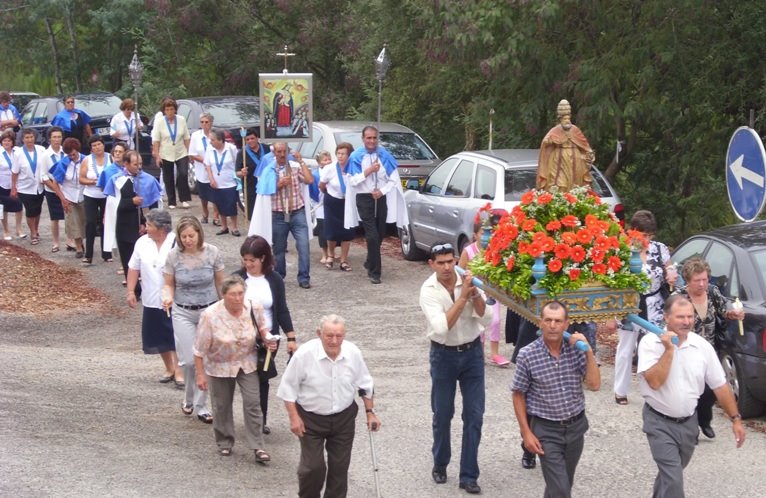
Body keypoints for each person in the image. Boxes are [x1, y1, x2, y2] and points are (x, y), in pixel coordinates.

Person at [638, 295, 745, 498]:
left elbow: (720, 385)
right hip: (658, 422)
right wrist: (669, 350)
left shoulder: (701, 346)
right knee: (673, 479)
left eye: (690, 316)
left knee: (671, 475)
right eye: (680, 317)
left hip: (689, 423)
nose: (687, 322)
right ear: (666, 317)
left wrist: (735, 419)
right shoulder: (650, 343)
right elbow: (654, 382)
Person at [277, 314, 381, 498]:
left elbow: (365, 383)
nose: (334, 341)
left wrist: (370, 412)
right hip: (310, 418)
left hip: (343, 418)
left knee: (339, 468)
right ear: (319, 333)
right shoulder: (304, 355)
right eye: (329, 335)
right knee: (313, 468)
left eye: (339, 336)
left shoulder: (352, 353)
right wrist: (294, 418)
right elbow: (288, 388)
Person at [420, 242, 492, 495]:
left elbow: (486, 316)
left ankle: (469, 475)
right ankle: (440, 462)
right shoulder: (428, 289)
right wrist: (462, 299)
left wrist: (474, 295)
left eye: (450, 261)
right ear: (432, 264)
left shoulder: (466, 280)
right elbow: (441, 327)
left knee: (474, 415)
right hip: (443, 355)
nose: (448, 267)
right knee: (442, 414)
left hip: (472, 352)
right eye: (441, 262)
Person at [511, 301, 601, 498]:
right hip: (546, 430)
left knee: (562, 485)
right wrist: (526, 433)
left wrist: (588, 352)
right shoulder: (528, 354)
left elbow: (594, 385)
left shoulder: (576, 349)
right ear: (540, 323)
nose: (553, 325)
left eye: (558, 321)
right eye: (548, 320)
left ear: (566, 324)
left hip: (576, 427)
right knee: (560, 489)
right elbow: (518, 394)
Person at [193, 274, 275, 462]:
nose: (237, 298)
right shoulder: (210, 315)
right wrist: (200, 375)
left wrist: (268, 339)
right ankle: (224, 441)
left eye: (240, 293)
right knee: (222, 405)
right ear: (223, 295)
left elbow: (262, 328)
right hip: (220, 364)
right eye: (232, 295)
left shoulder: (253, 307)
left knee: (253, 402)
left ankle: (258, 446)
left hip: (247, 361)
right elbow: (198, 350)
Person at [674, 256, 744, 439]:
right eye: (697, 280)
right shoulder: (679, 297)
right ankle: (692, 428)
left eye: (705, 279)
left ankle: (704, 420)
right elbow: (670, 321)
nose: (702, 284)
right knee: (690, 390)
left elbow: (723, 312)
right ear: (688, 280)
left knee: (710, 390)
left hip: (710, 348)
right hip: (686, 350)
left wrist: (734, 314)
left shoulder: (712, 292)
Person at [235, 235, 299, 434]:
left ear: (263, 258)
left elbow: (281, 309)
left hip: (268, 338)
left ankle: (260, 420)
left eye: (252, 260)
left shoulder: (274, 279)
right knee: (246, 378)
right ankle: (250, 415)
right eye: (244, 260)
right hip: (241, 337)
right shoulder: (237, 278)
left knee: (262, 378)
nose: (248, 264)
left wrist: (291, 337)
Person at [162, 215, 223, 423]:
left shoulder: (212, 252)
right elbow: (169, 283)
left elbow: (220, 284)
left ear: (199, 233)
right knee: (188, 360)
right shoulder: (173, 256)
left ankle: (201, 405)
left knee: (204, 359)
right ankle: (189, 396)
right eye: (184, 236)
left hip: (209, 310)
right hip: (183, 310)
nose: (188, 240)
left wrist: (227, 310)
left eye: (191, 235)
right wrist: (167, 295)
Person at [613, 210, 676, 405]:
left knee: (654, 345)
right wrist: (610, 313)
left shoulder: (659, 248)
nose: (647, 239)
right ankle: (620, 390)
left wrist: (671, 273)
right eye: (643, 235)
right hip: (629, 303)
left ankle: (653, 388)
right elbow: (613, 280)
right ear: (633, 231)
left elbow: (669, 266)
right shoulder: (622, 249)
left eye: (650, 235)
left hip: (655, 302)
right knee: (626, 348)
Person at [345, 126, 408, 284]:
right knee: (371, 235)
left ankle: (369, 260)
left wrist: (382, 191)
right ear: (363, 138)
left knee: (380, 233)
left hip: (379, 197)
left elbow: (393, 180)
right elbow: (352, 181)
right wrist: (367, 171)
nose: (372, 141)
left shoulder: (384, 155)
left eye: (374, 138)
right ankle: (375, 272)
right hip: (364, 197)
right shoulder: (356, 157)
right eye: (368, 138)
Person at [248, 142, 313, 289]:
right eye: (279, 152)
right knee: (278, 249)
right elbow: (264, 190)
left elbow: (309, 180)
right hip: (278, 214)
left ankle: (304, 277)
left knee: (303, 245)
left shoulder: (295, 167)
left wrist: (301, 161)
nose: (282, 155)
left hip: (297, 211)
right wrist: (278, 184)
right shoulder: (269, 169)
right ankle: (279, 276)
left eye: (284, 151)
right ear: (274, 153)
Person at [126, 209, 180, 384]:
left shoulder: (177, 242)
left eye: (149, 225)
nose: (145, 228)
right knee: (157, 335)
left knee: (175, 335)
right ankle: (169, 368)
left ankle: (180, 371)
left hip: (174, 298)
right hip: (151, 297)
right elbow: (134, 267)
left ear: (161, 228)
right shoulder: (142, 242)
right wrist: (131, 291)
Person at [458, 211, 510, 367]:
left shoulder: (494, 250)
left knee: (495, 320)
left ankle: (495, 353)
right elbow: (459, 269)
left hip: (491, 290)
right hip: (475, 291)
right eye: (483, 232)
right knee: (479, 322)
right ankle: (479, 353)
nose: (487, 236)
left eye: (490, 233)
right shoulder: (469, 251)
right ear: (475, 235)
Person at [102, 150, 162, 279]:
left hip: (144, 226)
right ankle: (132, 285)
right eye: (135, 164)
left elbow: (153, 206)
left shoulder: (149, 180)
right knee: (128, 258)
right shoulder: (117, 181)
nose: (139, 167)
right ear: (125, 164)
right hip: (124, 225)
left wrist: (145, 223)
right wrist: (131, 202)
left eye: (140, 164)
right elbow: (113, 205)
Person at [536, 99, 594, 192]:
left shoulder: (575, 130)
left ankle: (575, 199)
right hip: (558, 159)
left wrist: (589, 154)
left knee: (576, 183)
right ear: (560, 120)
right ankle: (559, 200)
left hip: (575, 159)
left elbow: (584, 145)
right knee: (559, 183)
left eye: (568, 119)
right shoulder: (555, 130)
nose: (567, 121)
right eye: (565, 119)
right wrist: (549, 141)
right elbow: (545, 143)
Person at [319, 143, 356, 271]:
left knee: (347, 231)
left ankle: (344, 260)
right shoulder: (330, 168)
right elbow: (322, 185)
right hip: (332, 201)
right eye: (338, 153)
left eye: (343, 154)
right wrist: (328, 194)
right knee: (331, 230)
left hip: (347, 202)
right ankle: (330, 256)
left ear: (349, 155)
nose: (340, 156)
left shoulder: (354, 167)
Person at [151, 97, 191, 209]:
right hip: (166, 153)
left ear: (175, 110)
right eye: (167, 109)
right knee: (168, 177)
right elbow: (156, 140)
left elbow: (186, 137)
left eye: (171, 109)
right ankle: (171, 201)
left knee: (183, 174)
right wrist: (157, 156)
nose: (169, 112)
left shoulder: (181, 119)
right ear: (164, 110)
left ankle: (184, 198)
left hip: (181, 151)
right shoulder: (159, 122)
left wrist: (189, 152)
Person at [48, 138, 86, 257]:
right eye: (69, 154)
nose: (72, 156)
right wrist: (62, 198)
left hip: (84, 195)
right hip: (69, 196)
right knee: (73, 222)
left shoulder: (86, 160)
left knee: (84, 222)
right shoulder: (63, 163)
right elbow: (55, 182)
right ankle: (78, 247)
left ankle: (83, 242)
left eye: (73, 154)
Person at [79, 135, 113, 265]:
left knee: (106, 223)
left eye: (99, 144)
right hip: (91, 195)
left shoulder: (110, 157)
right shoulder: (87, 160)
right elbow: (81, 179)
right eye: (94, 146)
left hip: (106, 196)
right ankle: (88, 254)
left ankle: (107, 252)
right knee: (91, 223)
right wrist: (92, 182)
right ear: (91, 149)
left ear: (103, 145)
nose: (97, 147)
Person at [11, 128, 46, 245]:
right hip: (25, 187)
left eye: (31, 137)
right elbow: (15, 172)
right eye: (27, 137)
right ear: (23, 139)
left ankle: (36, 229)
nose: (29, 139)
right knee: (30, 211)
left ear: (34, 138)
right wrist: (13, 188)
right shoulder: (18, 153)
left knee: (38, 209)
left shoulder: (41, 150)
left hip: (39, 186)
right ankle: (33, 233)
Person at [204, 128, 240, 236]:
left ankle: (234, 227)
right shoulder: (210, 149)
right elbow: (208, 165)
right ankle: (224, 226)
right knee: (219, 205)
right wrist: (211, 179)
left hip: (230, 182)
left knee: (231, 204)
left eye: (213, 140)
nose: (211, 142)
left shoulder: (231, 148)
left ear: (220, 140)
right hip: (216, 183)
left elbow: (237, 163)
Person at [98, 141, 127, 261]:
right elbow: (103, 188)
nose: (117, 154)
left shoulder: (129, 168)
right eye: (115, 151)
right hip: (113, 203)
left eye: (120, 152)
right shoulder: (108, 171)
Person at [187, 112, 217, 224]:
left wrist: (211, 163)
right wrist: (205, 161)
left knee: (215, 193)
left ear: (211, 123)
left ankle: (216, 216)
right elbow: (192, 153)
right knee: (203, 194)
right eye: (202, 122)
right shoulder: (195, 136)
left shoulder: (215, 135)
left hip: (214, 168)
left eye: (206, 122)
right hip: (201, 168)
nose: (204, 124)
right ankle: (205, 213)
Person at [40, 127, 66, 252]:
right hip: (52, 190)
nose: (57, 140)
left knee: (69, 216)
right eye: (54, 137)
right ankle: (56, 242)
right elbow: (43, 175)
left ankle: (71, 240)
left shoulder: (65, 153)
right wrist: (55, 189)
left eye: (59, 137)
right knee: (55, 217)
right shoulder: (45, 155)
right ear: (50, 138)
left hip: (66, 189)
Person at [235, 126, 267, 220]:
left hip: (266, 186)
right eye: (247, 139)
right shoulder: (242, 153)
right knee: (253, 215)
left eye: (252, 138)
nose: (250, 141)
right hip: (251, 188)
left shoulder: (267, 149)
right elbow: (237, 173)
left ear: (257, 138)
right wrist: (242, 172)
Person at [0, 130, 24, 240]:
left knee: (19, 206)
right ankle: (6, 231)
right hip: (2, 184)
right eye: (4, 141)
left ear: (12, 142)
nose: (6, 143)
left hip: (16, 183)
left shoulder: (18, 151)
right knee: (2, 208)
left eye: (8, 141)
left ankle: (19, 229)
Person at [312, 150, 332, 267]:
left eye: (329, 159)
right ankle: (324, 253)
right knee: (322, 229)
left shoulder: (334, 171)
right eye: (325, 160)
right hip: (320, 204)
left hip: (332, 204)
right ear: (320, 163)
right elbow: (312, 191)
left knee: (331, 229)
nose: (328, 162)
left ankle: (331, 252)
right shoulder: (316, 175)